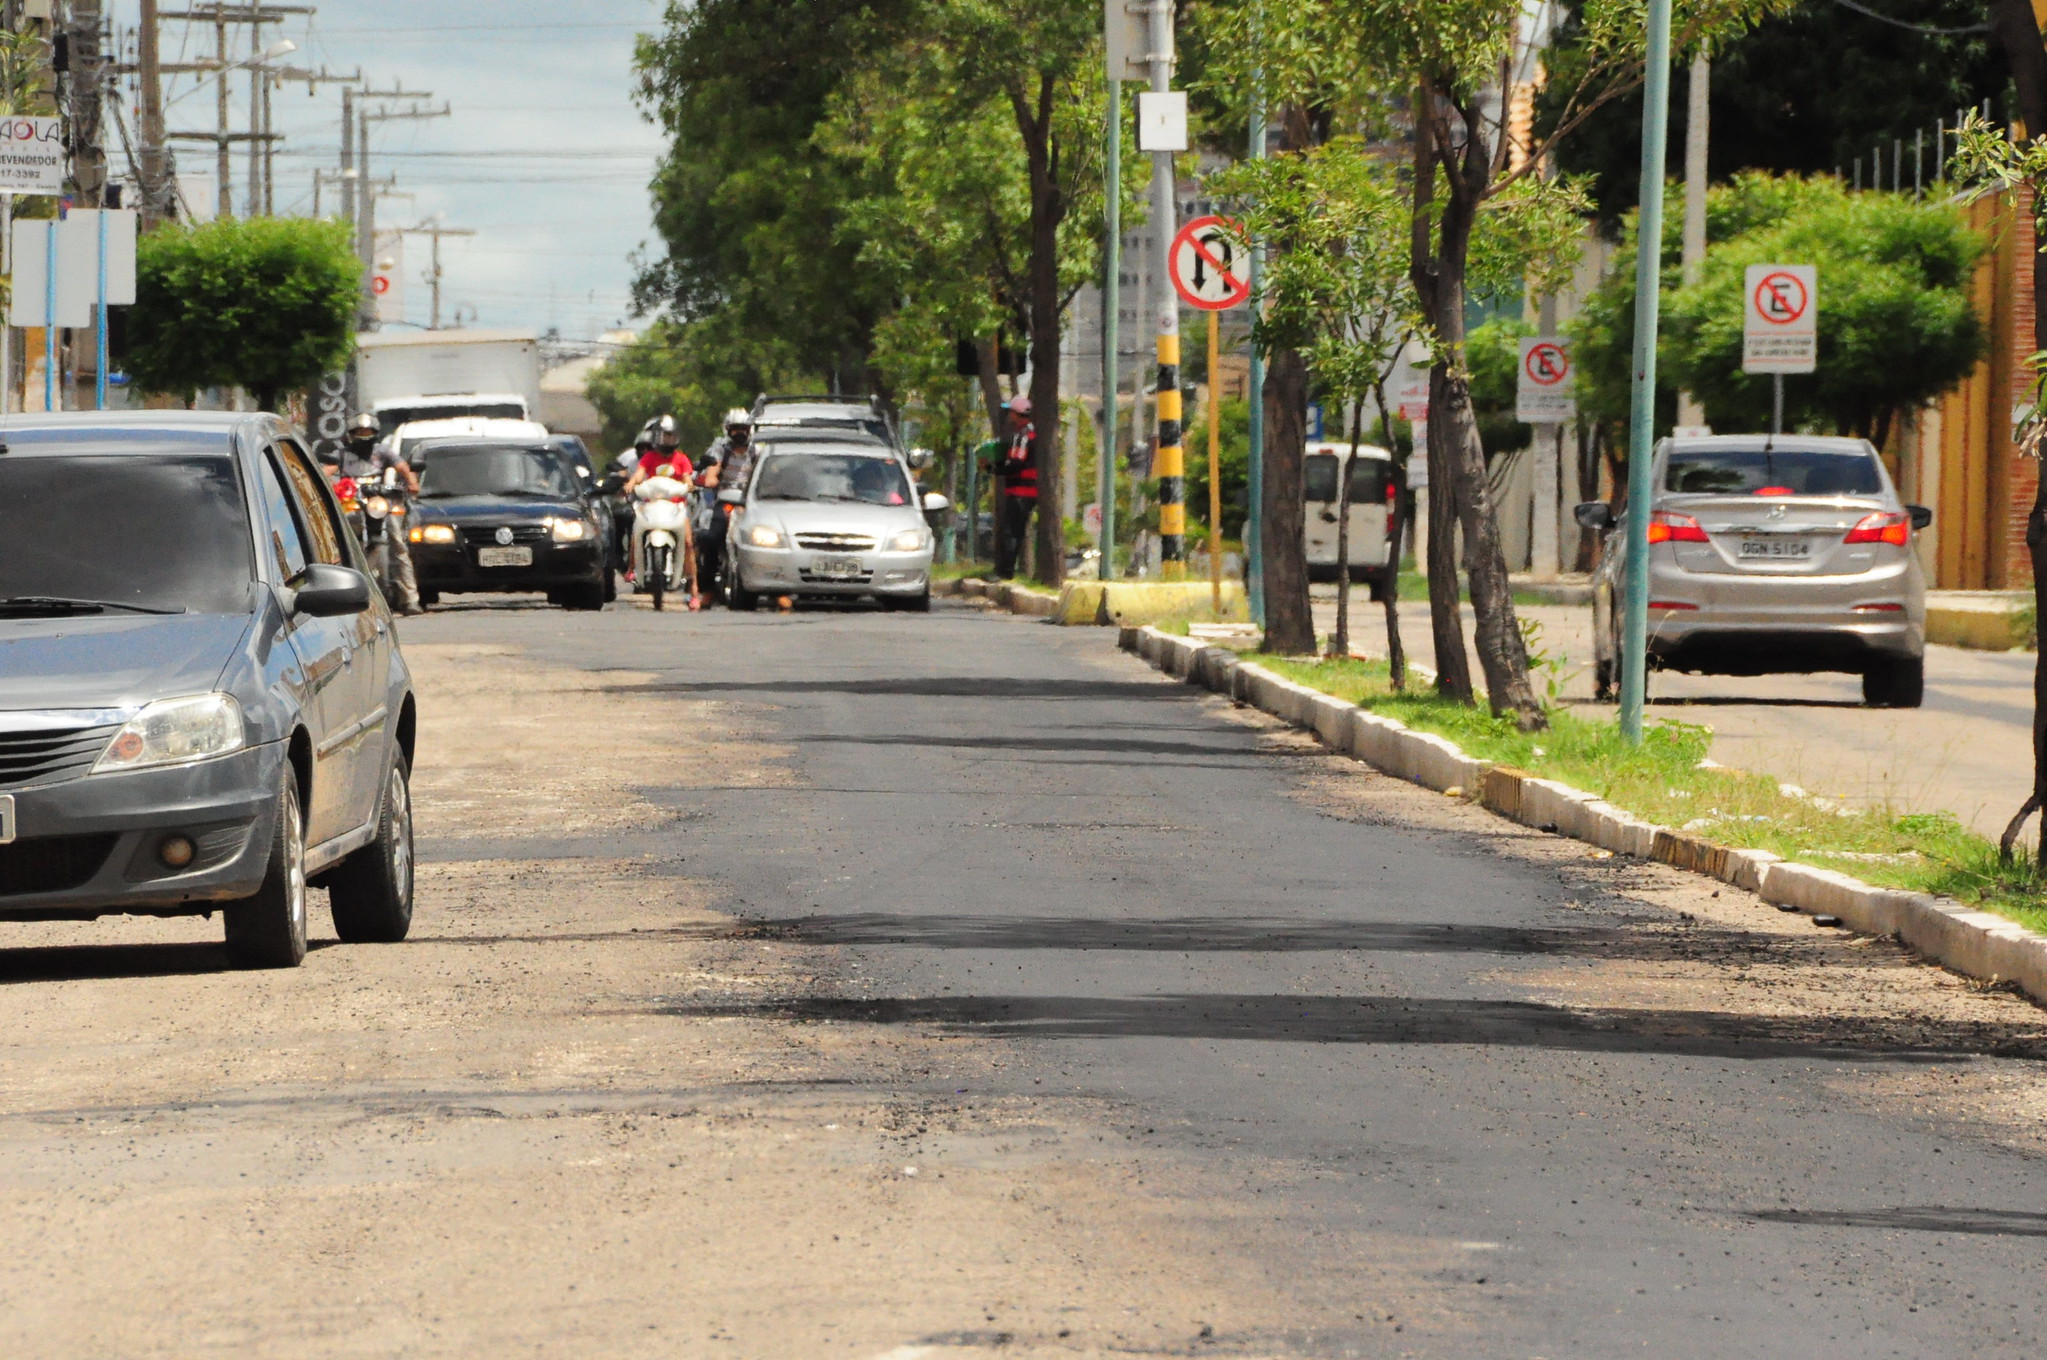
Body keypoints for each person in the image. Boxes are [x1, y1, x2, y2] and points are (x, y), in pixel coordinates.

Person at [340, 412, 424, 615]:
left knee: (398, 543)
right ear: (351, 433)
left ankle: (409, 599)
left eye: (367, 431)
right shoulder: (343, 454)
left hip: (379, 502)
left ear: (375, 432)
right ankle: (343, 594)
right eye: (359, 431)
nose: (363, 434)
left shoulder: (383, 452)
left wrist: (411, 482)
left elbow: (402, 466)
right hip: (353, 504)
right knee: (342, 543)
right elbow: (327, 470)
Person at [693, 408, 754, 598]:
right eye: (734, 429)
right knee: (710, 539)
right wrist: (709, 479)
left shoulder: (757, 451)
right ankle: (708, 591)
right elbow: (712, 471)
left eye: (743, 429)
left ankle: (777, 591)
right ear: (727, 430)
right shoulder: (720, 450)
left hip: (750, 504)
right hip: (725, 502)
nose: (739, 433)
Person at [987, 395, 1038, 579]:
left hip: (1020, 492)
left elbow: (1016, 464)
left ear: (1017, 414)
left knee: (1011, 532)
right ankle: (1007, 570)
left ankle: (1005, 572)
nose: (1009, 415)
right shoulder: (1031, 433)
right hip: (1027, 492)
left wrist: (995, 469)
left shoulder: (1022, 436)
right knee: (1015, 531)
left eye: (1011, 412)